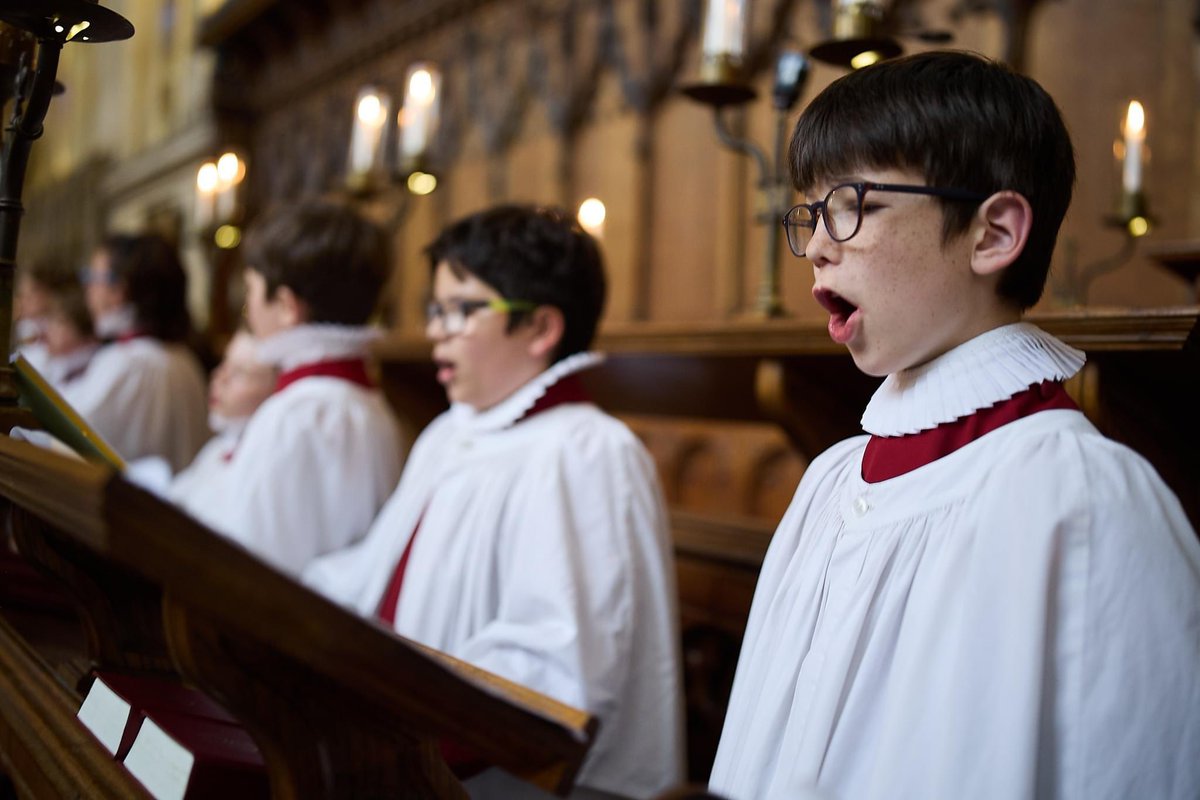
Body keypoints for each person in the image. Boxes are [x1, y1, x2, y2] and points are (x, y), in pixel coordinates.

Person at [709, 52, 1200, 800]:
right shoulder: (832, 479)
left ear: (993, 234)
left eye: (854, 204)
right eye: (809, 214)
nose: (814, 244)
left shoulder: (1085, 499)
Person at [304, 205, 684, 800]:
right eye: (435, 310)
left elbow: (561, 672)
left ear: (539, 328)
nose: (435, 330)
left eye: (460, 310)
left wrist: (403, 710)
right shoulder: (452, 432)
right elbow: (373, 574)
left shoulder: (586, 450)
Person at [174, 200, 403, 577]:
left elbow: (250, 564)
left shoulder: (297, 412)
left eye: (250, 291)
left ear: (285, 306)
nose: (247, 307)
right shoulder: (362, 399)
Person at [166, 329, 276, 509]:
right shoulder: (216, 449)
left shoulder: (261, 467)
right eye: (224, 363)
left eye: (240, 372)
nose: (220, 377)